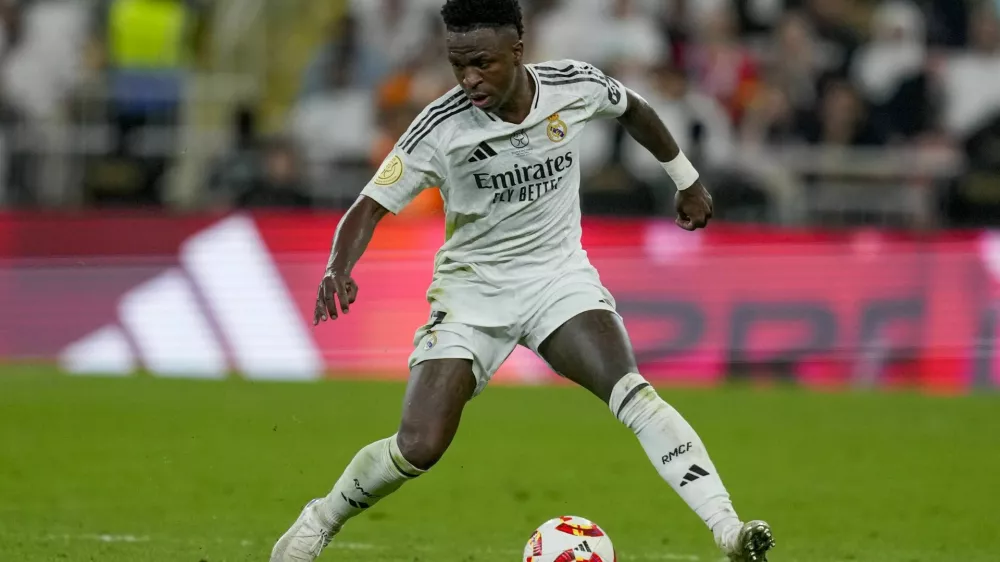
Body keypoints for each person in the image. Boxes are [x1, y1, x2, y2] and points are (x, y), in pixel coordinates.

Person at [270, 1, 775, 561]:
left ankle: (728, 529)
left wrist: (685, 179)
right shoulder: (440, 126)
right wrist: (337, 267)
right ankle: (321, 518)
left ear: (517, 49)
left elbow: (632, 107)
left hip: (558, 281)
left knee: (633, 392)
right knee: (420, 446)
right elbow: (369, 205)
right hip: (471, 296)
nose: (468, 78)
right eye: (457, 64)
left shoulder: (572, 85)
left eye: (481, 63)